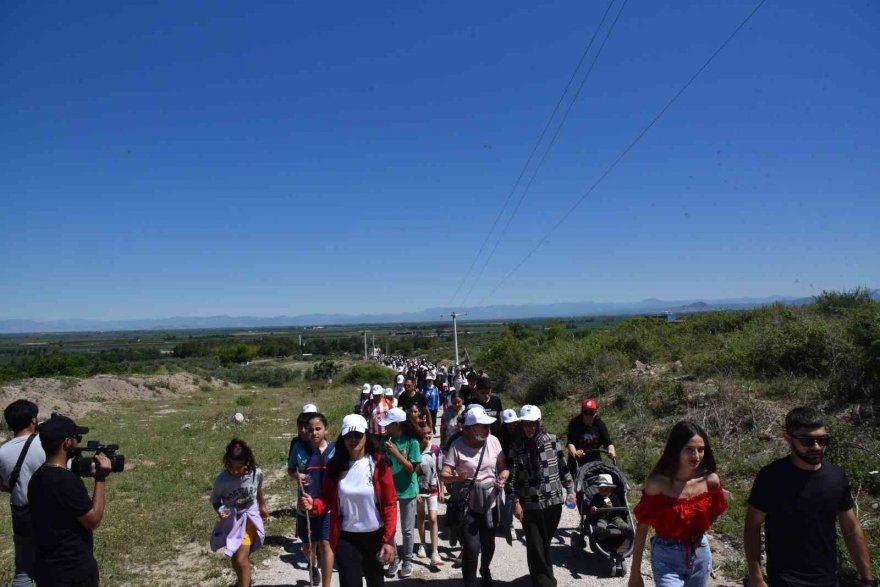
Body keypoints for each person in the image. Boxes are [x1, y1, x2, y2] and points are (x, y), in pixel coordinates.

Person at [743, 407, 876, 587]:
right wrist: (756, 577)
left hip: (828, 579)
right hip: (786, 579)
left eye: (822, 440)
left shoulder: (836, 477)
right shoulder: (771, 478)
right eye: (807, 440)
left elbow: (851, 528)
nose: (816, 447)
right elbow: (752, 525)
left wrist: (867, 578)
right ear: (788, 439)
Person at [298, 414, 397, 587]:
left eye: (358, 435)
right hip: (346, 538)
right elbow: (326, 500)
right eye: (348, 436)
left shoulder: (379, 464)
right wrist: (313, 505)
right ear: (342, 438)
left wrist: (388, 539)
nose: (353, 439)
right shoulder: (335, 466)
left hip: (375, 537)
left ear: (366, 435)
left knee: (376, 583)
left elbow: (389, 504)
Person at [629, 421, 726, 587]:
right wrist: (635, 573)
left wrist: (700, 527)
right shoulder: (658, 484)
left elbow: (716, 510)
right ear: (676, 450)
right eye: (689, 449)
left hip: (700, 554)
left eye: (701, 449)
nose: (696, 456)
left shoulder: (710, 481)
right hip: (666, 557)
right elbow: (642, 528)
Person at [27, 414, 111, 587]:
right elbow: (93, 520)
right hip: (72, 570)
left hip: (47, 569)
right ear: (67, 443)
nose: (78, 443)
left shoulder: (37, 477)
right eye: (77, 438)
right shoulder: (65, 481)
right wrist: (100, 479)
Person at [506, 405, 576, 587]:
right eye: (525, 424)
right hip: (529, 504)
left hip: (553, 503)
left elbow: (563, 467)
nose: (529, 428)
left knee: (544, 543)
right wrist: (515, 502)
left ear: (539, 423)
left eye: (532, 424)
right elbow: (511, 480)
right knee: (535, 546)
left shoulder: (552, 440)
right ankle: (544, 582)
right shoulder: (517, 447)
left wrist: (570, 491)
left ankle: (546, 576)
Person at [440, 405, 509, 587]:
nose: (488, 429)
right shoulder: (457, 445)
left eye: (488, 426)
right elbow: (443, 474)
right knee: (471, 549)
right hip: (467, 503)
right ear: (471, 428)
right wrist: (456, 477)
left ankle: (485, 568)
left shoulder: (493, 441)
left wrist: (502, 476)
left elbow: (504, 468)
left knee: (489, 544)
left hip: (490, 501)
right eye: (484, 426)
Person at [210, 438, 269, 587]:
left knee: (241, 559)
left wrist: (262, 505)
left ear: (247, 462)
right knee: (235, 558)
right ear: (226, 462)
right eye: (231, 467)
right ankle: (244, 580)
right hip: (232, 521)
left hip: (249, 517)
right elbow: (215, 500)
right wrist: (220, 509)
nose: (235, 471)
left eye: (239, 467)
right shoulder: (222, 481)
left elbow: (258, 489)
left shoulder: (256, 473)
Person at [0, 400, 46, 587]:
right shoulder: (46, 444)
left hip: (21, 514)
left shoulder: (2, 451)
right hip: (48, 511)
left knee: (23, 571)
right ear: (33, 420)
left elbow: (3, 485)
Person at [288, 413, 335, 587]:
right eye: (310, 429)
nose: (314, 432)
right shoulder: (298, 448)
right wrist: (297, 475)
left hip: (327, 506)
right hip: (305, 506)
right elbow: (291, 469)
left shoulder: (334, 450)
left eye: (318, 429)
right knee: (308, 546)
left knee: (325, 544)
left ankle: (327, 585)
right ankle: (313, 566)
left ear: (325, 430)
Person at [378, 407, 422, 578]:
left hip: (407, 490)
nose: (385, 428)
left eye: (388, 425)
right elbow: (383, 463)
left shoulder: (412, 442)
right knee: (390, 528)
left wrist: (396, 453)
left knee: (407, 529)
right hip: (389, 489)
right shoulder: (384, 439)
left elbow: (412, 469)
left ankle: (407, 560)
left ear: (397, 424)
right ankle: (393, 558)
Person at [415, 426, 444, 567]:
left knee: (432, 519)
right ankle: (422, 543)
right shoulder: (415, 449)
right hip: (419, 489)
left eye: (429, 433)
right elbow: (412, 472)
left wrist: (442, 490)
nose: (427, 436)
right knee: (420, 517)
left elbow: (440, 471)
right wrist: (415, 492)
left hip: (433, 488)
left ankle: (435, 552)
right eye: (424, 433)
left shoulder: (436, 450)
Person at [566, 398, 615, 478]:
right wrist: (575, 453)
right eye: (586, 412)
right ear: (582, 412)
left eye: (591, 412)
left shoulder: (599, 424)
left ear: (595, 413)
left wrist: (611, 451)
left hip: (594, 460)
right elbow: (570, 443)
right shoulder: (575, 423)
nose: (588, 416)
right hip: (578, 461)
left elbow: (608, 442)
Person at [589, 473, 631, 540]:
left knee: (620, 522)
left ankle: (627, 530)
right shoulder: (596, 497)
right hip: (602, 517)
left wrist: (612, 507)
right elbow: (591, 508)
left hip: (614, 516)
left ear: (611, 490)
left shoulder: (614, 497)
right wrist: (593, 509)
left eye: (607, 489)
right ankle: (603, 532)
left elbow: (619, 511)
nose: (604, 492)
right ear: (598, 489)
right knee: (600, 524)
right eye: (601, 489)